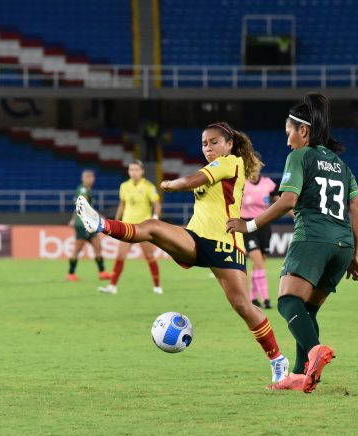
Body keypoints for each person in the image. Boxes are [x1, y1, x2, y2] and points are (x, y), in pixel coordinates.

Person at [76, 122, 290, 383]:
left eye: (214, 142)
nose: (208, 148)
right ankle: (101, 224)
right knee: (153, 228)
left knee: (243, 306)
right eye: (204, 143)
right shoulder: (214, 165)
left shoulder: (231, 163)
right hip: (196, 239)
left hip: (225, 244)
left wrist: (171, 185)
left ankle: (277, 359)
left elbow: (192, 181)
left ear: (229, 144)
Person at [227, 93, 358, 393]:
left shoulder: (299, 156)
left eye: (289, 131)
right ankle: (303, 376)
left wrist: (248, 224)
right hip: (342, 244)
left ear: (303, 130)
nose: (287, 140)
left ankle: (315, 351)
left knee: (288, 302)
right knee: (307, 310)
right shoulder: (341, 165)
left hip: (313, 238)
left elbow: (287, 200)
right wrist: (355, 254)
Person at [98, 160, 162, 294]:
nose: (134, 172)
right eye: (131, 170)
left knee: (149, 256)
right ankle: (112, 286)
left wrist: (155, 218)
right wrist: (116, 221)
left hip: (143, 228)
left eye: (136, 170)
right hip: (127, 226)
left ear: (142, 171)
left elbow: (156, 204)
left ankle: (157, 286)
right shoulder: (124, 186)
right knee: (120, 256)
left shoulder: (148, 186)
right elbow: (122, 204)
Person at [240, 167, 279, 309]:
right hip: (248, 227)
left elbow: (281, 202)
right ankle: (266, 299)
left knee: (259, 263)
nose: (253, 171)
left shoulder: (268, 183)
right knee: (258, 262)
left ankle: (253, 298)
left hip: (264, 226)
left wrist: (296, 216)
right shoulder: (241, 183)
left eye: (256, 167)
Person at [66, 170, 112, 282]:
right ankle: (70, 274)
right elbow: (85, 206)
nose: (89, 179)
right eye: (87, 177)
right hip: (82, 224)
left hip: (89, 224)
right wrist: (99, 216)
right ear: (83, 179)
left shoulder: (87, 190)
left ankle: (102, 272)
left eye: (91, 177)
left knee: (98, 247)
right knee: (77, 249)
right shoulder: (82, 190)